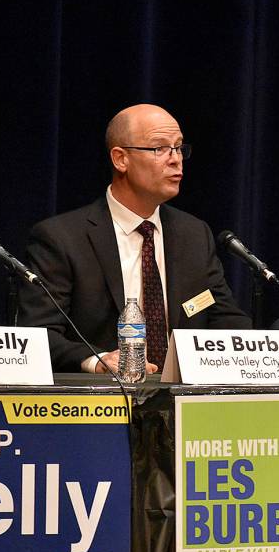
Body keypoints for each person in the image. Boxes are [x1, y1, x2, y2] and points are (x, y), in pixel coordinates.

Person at [17, 104, 251, 373]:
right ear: (120, 159)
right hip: (99, 403)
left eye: (178, 148)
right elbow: (37, 335)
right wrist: (98, 360)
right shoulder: (62, 238)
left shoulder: (194, 234)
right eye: (159, 148)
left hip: (183, 402)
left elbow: (224, 318)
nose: (176, 159)